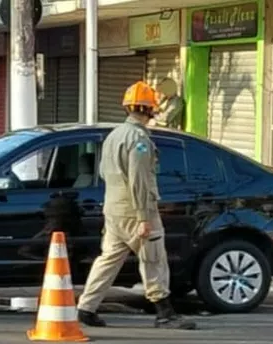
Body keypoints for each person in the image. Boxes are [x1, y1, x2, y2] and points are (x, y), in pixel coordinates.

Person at [76, 81, 195, 330]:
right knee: (153, 258)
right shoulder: (138, 139)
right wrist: (143, 217)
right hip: (136, 209)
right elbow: (139, 179)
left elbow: (103, 172)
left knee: (108, 259)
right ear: (148, 109)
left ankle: (86, 308)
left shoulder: (114, 135)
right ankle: (165, 312)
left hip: (113, 209)